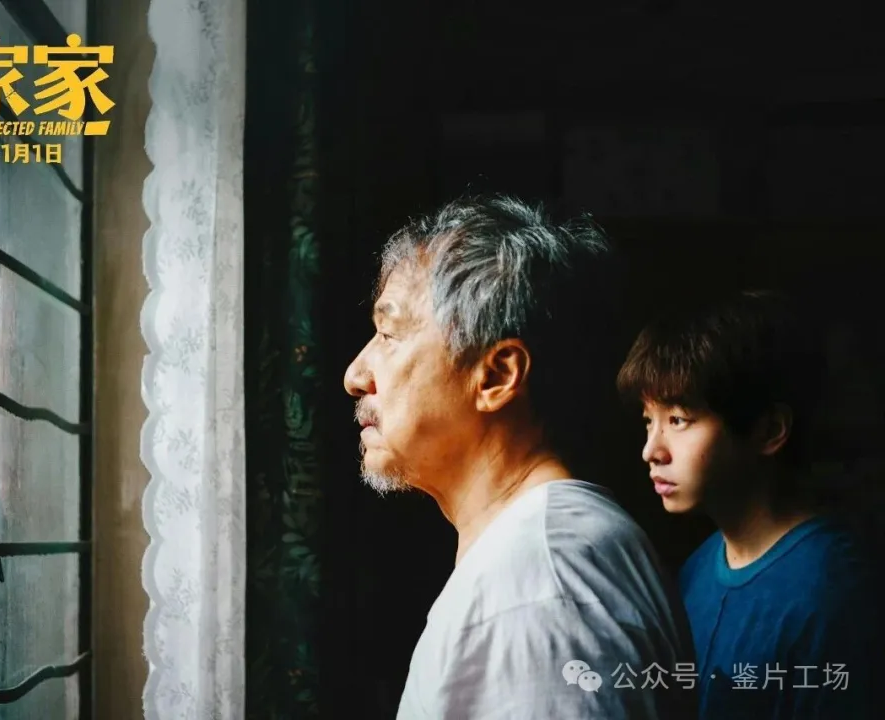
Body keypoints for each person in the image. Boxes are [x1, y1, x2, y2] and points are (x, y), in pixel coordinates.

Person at [343, 196, 697, 719]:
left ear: (496, 376)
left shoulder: (540, 584)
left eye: (389, 334)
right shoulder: (537, 559)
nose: (355, 375)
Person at [616, 290, 880, 719]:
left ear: (769, 431)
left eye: (678, 420)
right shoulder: (697, 570)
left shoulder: (833, 594)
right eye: (650, 421)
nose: (652, 450)